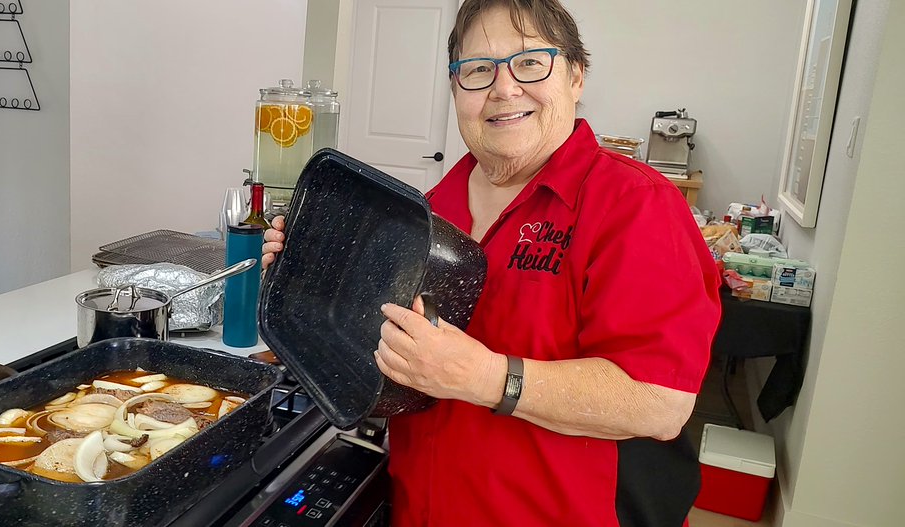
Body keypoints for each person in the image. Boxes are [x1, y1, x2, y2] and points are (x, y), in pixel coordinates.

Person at [261, 0, 722, 525]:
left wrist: (485, 377)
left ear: (576, 75)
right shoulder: (429, 210)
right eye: (478, 70)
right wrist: (310, 283)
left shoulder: (636, 205)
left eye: (530, 62)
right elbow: (386, 359)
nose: (504, 89)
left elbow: (659, 402)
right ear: (456, 89)